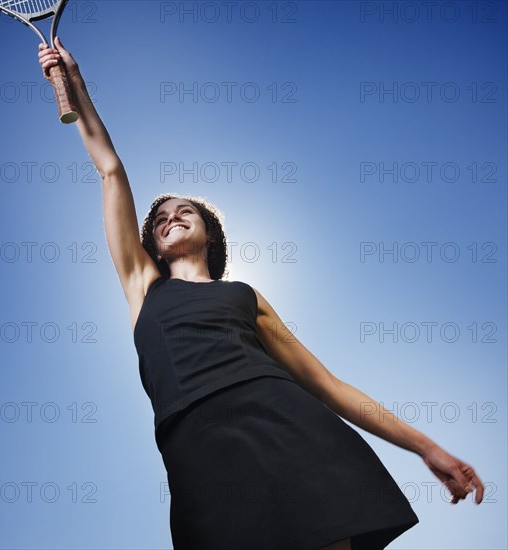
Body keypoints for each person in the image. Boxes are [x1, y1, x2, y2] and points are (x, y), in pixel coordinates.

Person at [38, 38, 485, 550]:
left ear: (210, 233)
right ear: (152, 247)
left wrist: (427, 448)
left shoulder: (246, 296)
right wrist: (72, 82)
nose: (171, 218)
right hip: (198, 448)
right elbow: (111, 168)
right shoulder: (143, 287)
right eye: (159, 219)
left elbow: (326, 385)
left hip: (294, 429)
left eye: (185, 211)